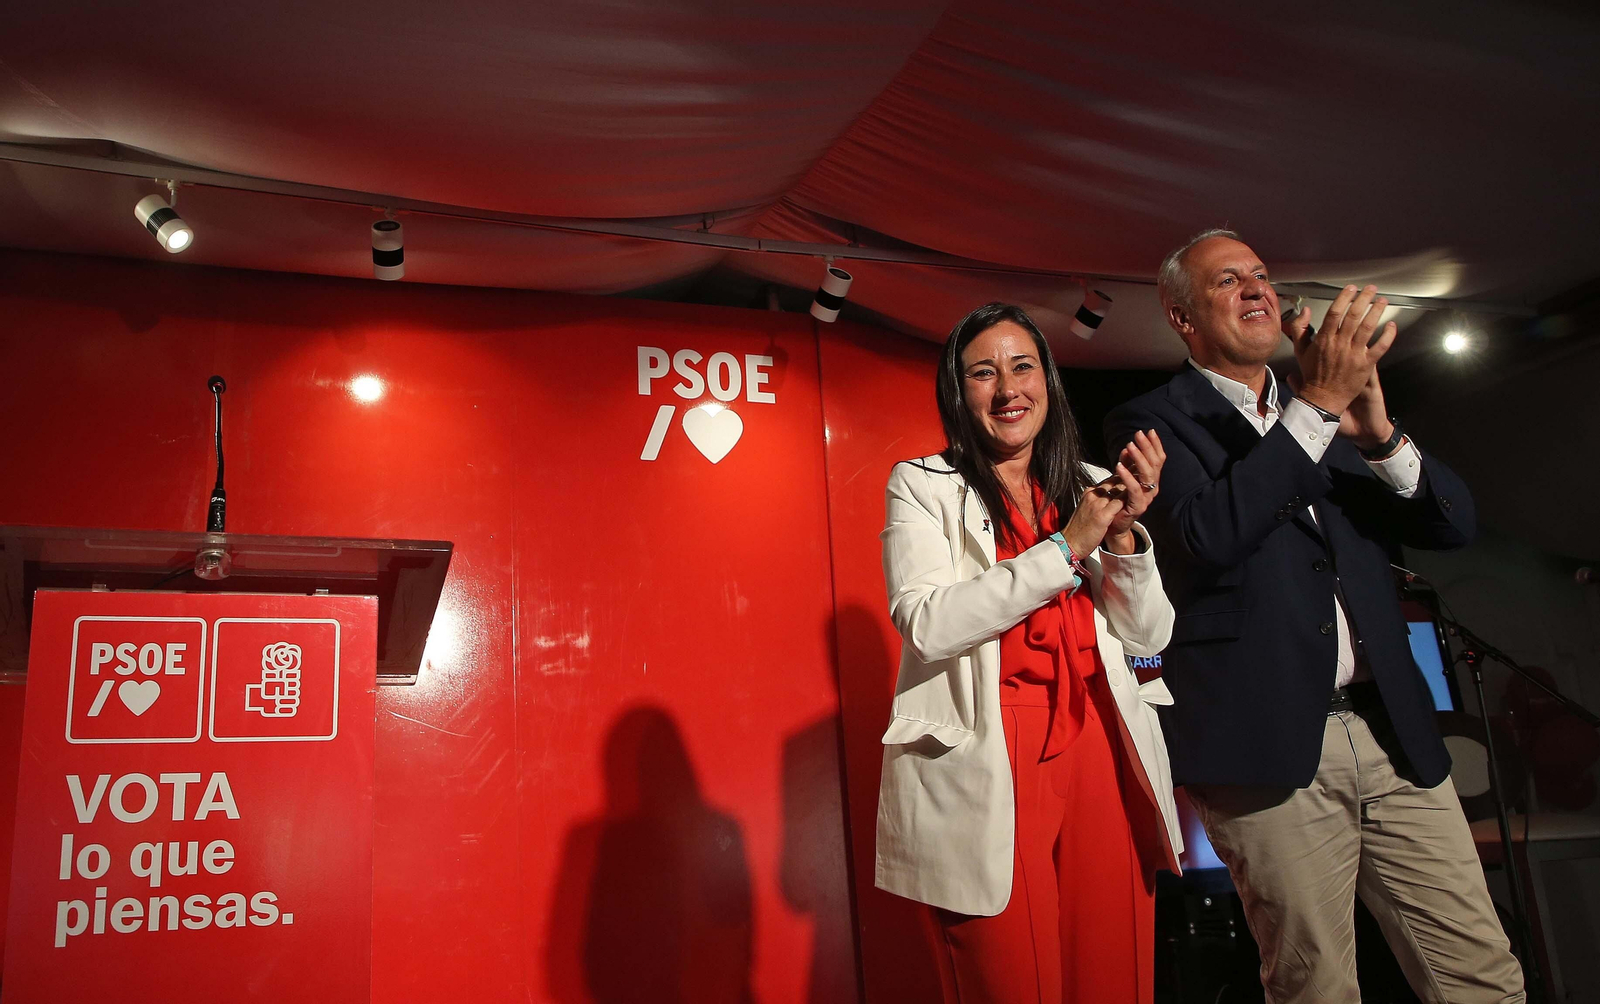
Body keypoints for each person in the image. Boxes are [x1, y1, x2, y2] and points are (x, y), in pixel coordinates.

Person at [1104, 230, 1524, 1004]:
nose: (1256, 288)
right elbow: (1207, 537)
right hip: (1265, 748)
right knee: (1316, 989)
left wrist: (1380, 437)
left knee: (1483, 978)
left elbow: (1452, 526)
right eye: (1228, 280)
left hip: (1393, 732)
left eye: (1262, 275)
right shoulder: (1148, 420)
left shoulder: (1331, 413)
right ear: (1182, 317)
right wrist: (1318, 405)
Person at [876, 302, 1183, 1004]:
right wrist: (1067, 547)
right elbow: (927, 624)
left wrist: (1123, 538)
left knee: (1112, 974)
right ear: (958, 392)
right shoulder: (923, 484)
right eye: (983, 373)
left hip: (1102, 739)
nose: (1008, 388)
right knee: (1012, 981)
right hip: (991, 745)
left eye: (1023, 366)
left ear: (1048, 379)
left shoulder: (1090, 482)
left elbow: (1148, 635)